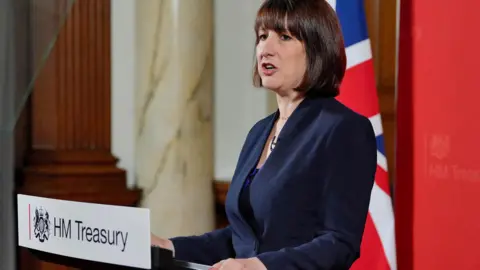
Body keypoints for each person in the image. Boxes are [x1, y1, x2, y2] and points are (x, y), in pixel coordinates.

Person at [151, 0, 377, 269]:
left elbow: (339, 243)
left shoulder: (343, 129)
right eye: (262, 37)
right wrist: (171, 246)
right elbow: (241, 237)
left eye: (284, 37)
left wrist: (257, 266)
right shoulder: (259, 132)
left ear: (317, 48)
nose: (266, 50)